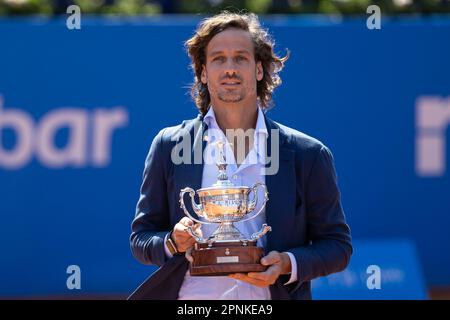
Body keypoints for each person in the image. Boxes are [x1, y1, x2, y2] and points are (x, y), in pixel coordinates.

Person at [129, 11, 352, 300]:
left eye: (241, 58)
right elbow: (141, 239)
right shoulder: (169, 146)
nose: (230, 68)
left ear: (259, 70)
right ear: (203, 72)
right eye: (218, 58)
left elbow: (337, 246)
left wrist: (286, 263)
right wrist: (173, 241)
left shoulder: (307, 154)